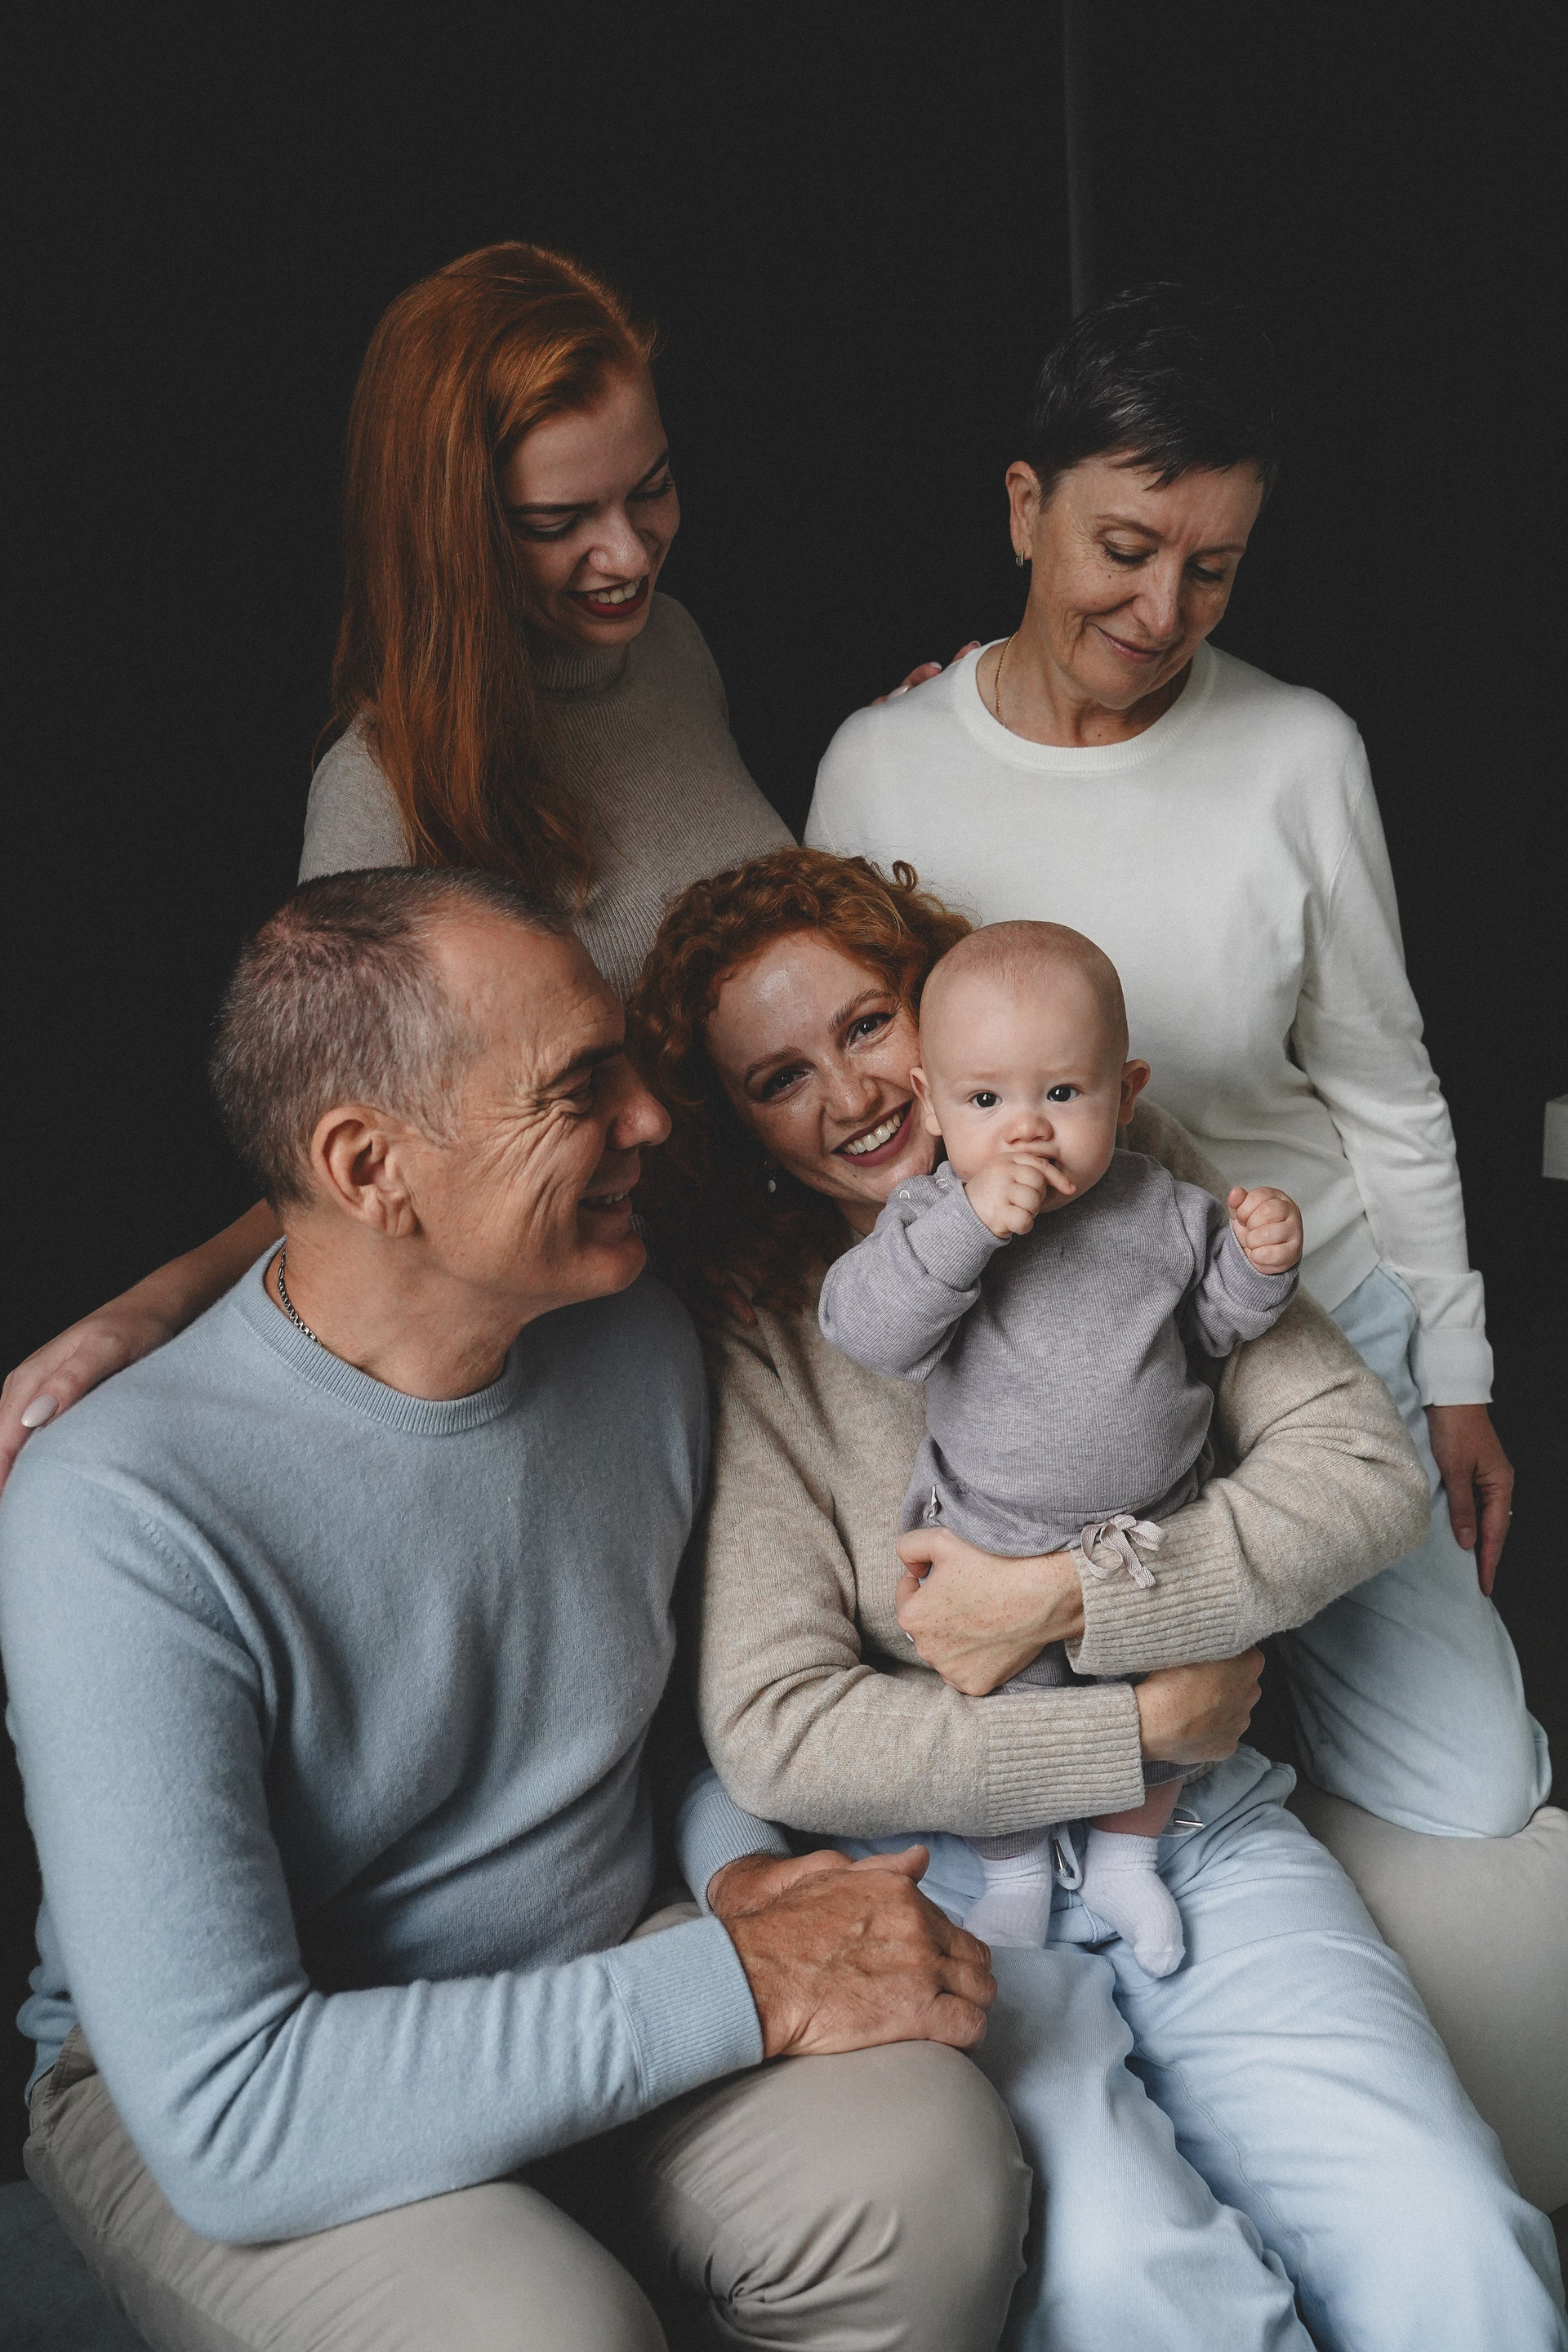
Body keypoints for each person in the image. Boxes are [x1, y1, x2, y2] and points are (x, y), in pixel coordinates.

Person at [0, 869, 1030, 2352]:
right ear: (371, 1168)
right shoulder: (115, 1511)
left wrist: (744, 1879)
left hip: (604, 1959)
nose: (653, 1118)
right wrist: (738, 1983)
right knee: (535, 2331)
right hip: (267, 2087)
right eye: (578, 1088)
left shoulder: (635, 1338)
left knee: (927, 2173)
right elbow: (232, 2109)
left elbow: (660, 1725)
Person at [628, 846, 1567, 2350]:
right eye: (779, 1078)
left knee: (1447, 2236)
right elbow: (778, 1730)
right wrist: (1128, 1729)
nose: (853, 1095)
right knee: (1136, 2279)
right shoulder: (758, 1325)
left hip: (1197, 1827)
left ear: (941, 1016)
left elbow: (1358, 1477)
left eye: (867, 1026)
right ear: (738, 1125)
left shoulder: (1124, 1168)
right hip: (944, 1876)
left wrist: (1069, 1599)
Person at [0, 239, 942, 1481]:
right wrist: (159, 1306)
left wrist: (919, 743)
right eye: (559, 523)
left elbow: (753, 950)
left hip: (839, 1288)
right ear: (453, 530)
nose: (628, 554)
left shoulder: (671, 649)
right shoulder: (385, 788)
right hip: (625, 1365)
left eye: (652, 488)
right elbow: (342, 1169)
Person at [805, 282, 1549, 1842]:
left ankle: (1230, 1669)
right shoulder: (883, 765)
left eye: (1212, 570)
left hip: (1290, 1308)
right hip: (1033, 1357)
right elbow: (850, 1098)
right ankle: (1200, 1728)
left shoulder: (1302, 752)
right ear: (1026, 509)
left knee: (1478, 1785)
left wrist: (1459, 1378)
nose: (1161, 613)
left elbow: (1386, 1086)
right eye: (1126, 550)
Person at [817, 920, 1303, 1971]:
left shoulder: (1163, 1206)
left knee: (1175, 1685)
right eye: (985, 1102)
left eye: (1063, 1094)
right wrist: (969, 1226)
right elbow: (869, 1332)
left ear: (1125, 1096)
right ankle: (1016, 1877)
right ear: (932, 1104)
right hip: (986, 1534)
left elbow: (1215, 1330)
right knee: (1007, 1704)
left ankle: (1129, 1861)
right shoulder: (928, 1217)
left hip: (1150, 1533)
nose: (1026, 1130)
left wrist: (1259, 1268)